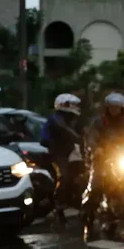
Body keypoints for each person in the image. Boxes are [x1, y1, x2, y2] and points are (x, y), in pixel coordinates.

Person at [81, 92, 124, 226]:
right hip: (103, 159)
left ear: (122, 109)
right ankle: (87, 210)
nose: (114, 110)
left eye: (117, 108)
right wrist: (96, 148)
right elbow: (91, 136)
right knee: (97, 184)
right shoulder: (99, 122)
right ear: (107, 108)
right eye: (112, 107)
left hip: (122, 157)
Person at [42, 93, 83, 228]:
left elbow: (85, 134)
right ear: (64, 105)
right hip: (58, 154)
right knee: (64, 176)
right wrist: (51, 142)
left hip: (74, 152)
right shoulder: (54, 120)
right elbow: (44, 137)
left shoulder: (75, 120)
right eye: (73, 104)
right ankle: (58, 206)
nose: (76, 107)